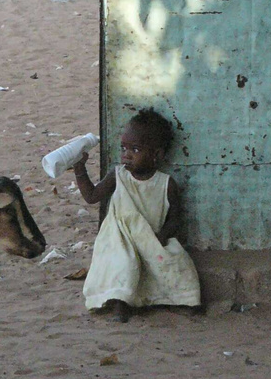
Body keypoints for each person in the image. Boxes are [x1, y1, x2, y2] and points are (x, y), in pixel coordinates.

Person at [73, 108, 201, 323]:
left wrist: (163, 235)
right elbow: (92, 196)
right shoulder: (118, 176)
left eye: (135, 149)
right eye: (124, 148)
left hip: (150, 237)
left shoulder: (165, 184)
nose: (126, 155)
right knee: (123, 264)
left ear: (156, 155)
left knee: (178, 262)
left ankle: (184, 301)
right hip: (119, 237)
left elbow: (176, 217)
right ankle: (119, 305)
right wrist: (79, 170)